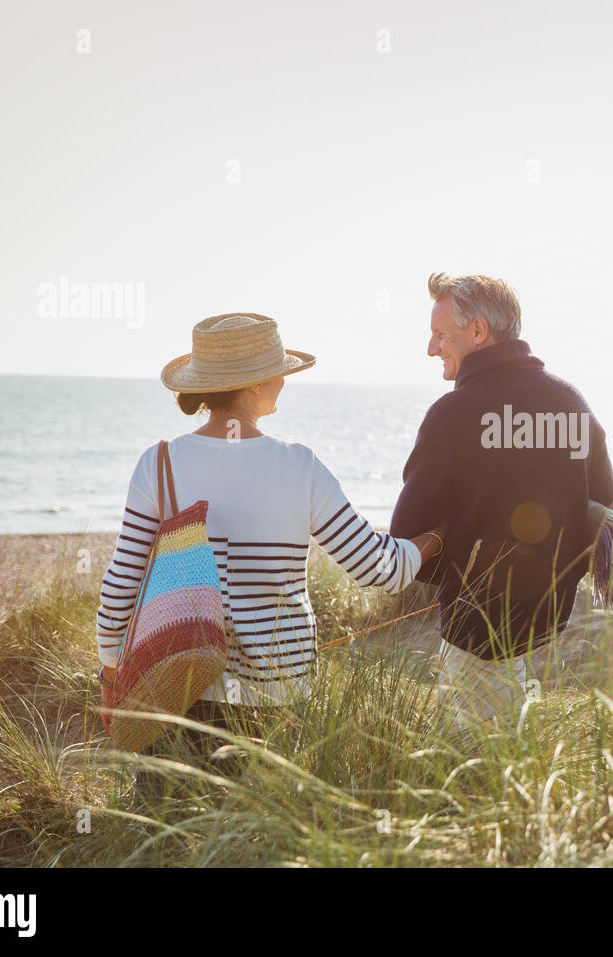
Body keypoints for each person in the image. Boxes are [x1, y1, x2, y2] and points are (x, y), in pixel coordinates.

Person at [95, 313, 445, 791]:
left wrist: (111, 671)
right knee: (263, 835)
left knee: (171, 837)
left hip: (176, 686)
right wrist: (435, 539)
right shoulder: (299, 467)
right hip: (275, 699)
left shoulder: (160, 463)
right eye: (278, 370)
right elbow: (379, 570)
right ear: (256, 384)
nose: (284, 379)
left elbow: (120, 586)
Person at [390, 273, 613, 731]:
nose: (431, 349)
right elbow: (606, 512)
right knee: (502, 728)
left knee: (473, 754)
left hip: (472, 624)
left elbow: (406, 536)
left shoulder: (453, 414)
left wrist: (456, 563)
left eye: (439, 335)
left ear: (478, 331)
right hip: (542, 617)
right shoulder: (572, 402)